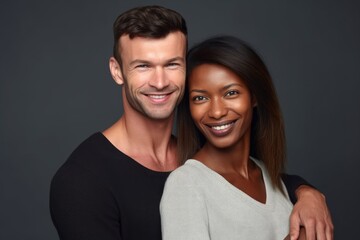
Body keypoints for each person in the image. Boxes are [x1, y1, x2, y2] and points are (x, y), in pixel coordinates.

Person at [50, 5, 333, 240]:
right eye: (143, 66)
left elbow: (258, 180)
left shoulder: (204, 142)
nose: (160, 82)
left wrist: (307, 192)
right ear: (117, 71)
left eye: (172, 64)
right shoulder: (83, 181)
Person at [160, 35, 333, 240]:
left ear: (254, 96)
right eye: (200, 98)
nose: (216, 112)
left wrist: (310, 194)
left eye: (231, 93)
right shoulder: (186, 184)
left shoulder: (270, 177)